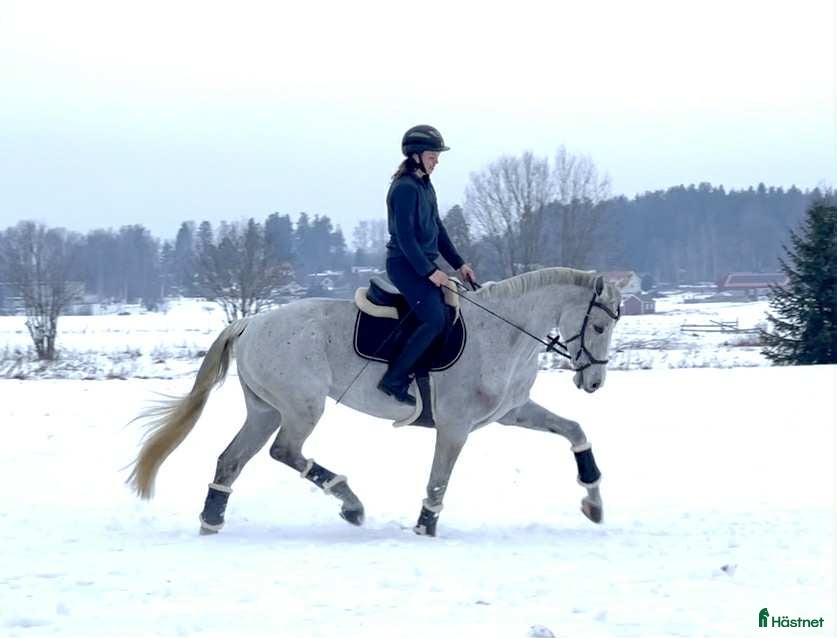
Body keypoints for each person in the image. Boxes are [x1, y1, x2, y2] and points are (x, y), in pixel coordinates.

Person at [378, 125, 477, 405]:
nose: (437, 162)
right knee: (434, 318)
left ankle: (428, 372)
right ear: (416, 156)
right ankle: (394, 379)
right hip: (404, 265)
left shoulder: (424, 185)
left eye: (437, 156)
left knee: (449, 312)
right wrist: (430, 271)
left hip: (421, 263)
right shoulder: (405, 188)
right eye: (433, 156)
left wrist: (459, 264)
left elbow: (437, 228)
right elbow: (406, 238)